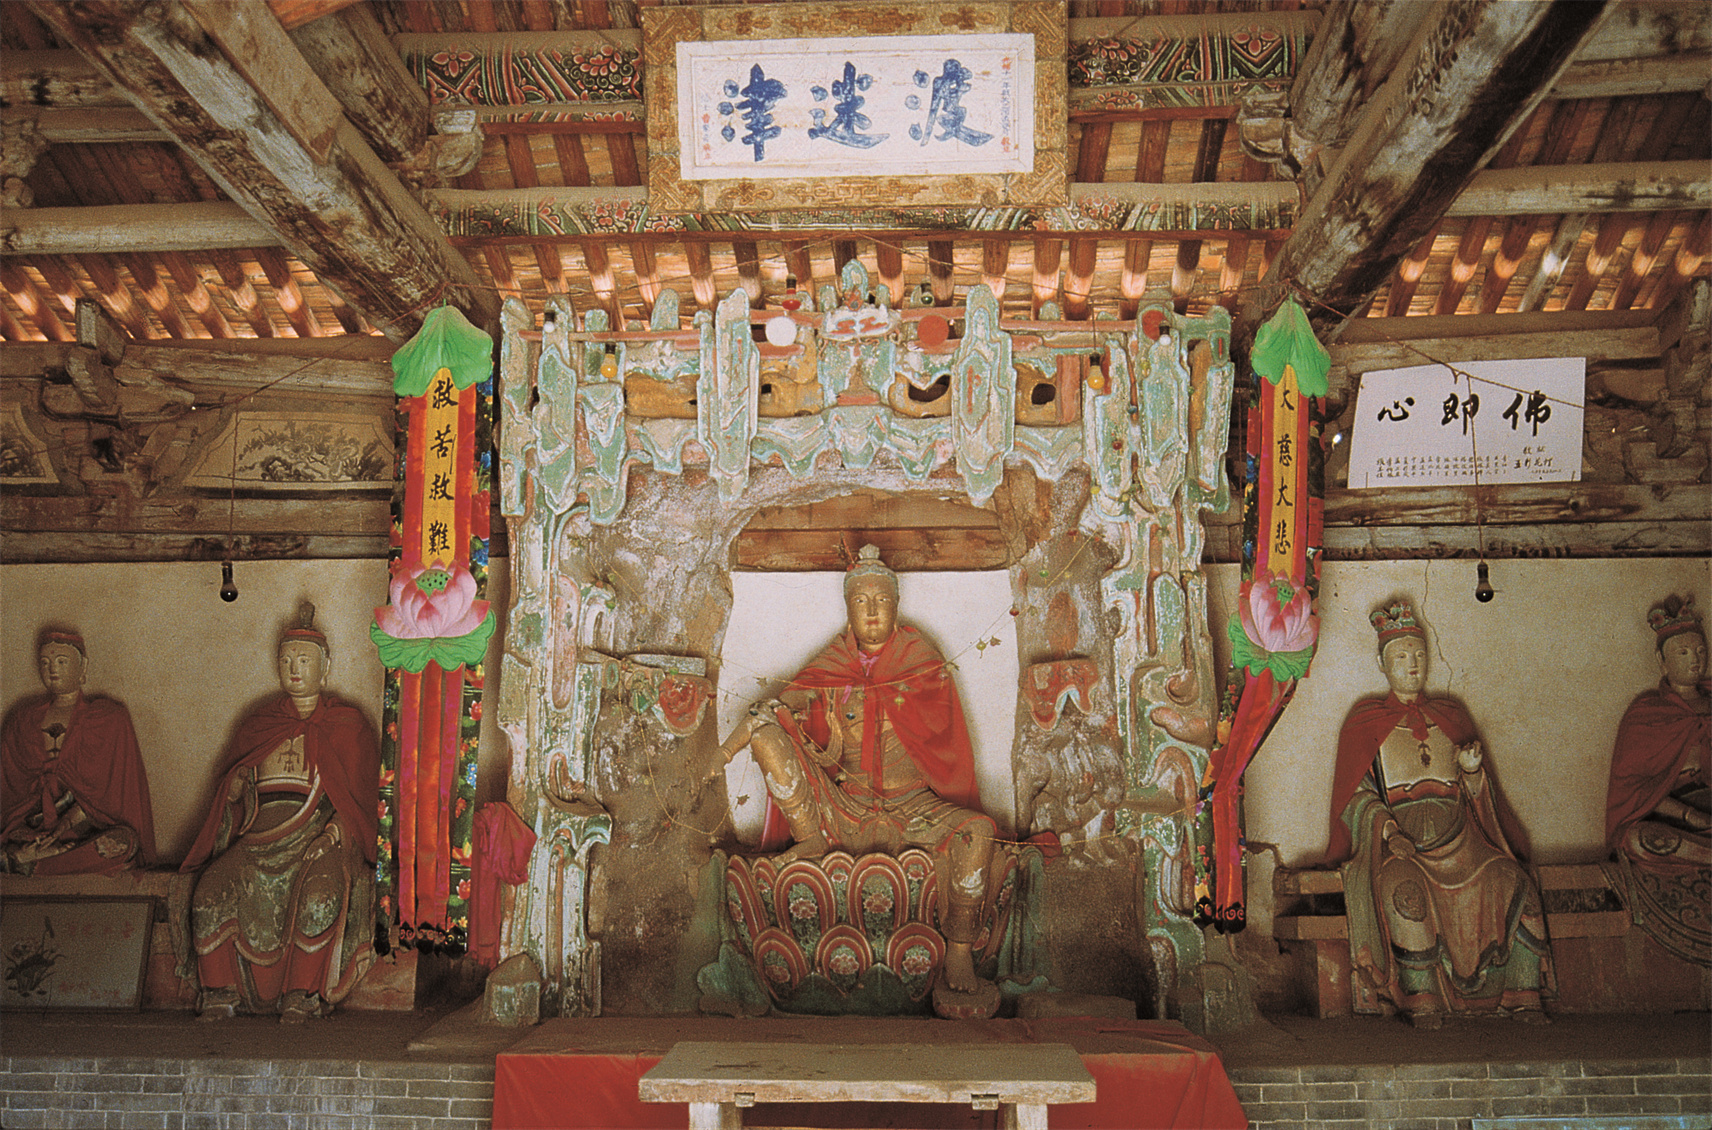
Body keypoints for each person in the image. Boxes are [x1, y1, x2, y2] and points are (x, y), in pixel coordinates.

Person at [717, 545, 997, 996]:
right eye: (861, 601)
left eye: (881, 600)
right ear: (848, 611)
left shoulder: (920, 659)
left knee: (978, 832)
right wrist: (728, 750)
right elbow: (770, 712)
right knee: (766, 735)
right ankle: (811, 837)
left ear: (896, 607)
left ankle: (959, 949)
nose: (871, 611)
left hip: (913, 808)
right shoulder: (834, 664)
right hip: (844, 807)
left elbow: (947, 744)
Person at [1327, 600, 1552, 1028]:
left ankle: (1520, 993)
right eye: (1400, 656)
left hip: (1464, 843)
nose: (1412, 664)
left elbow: (1481, 797)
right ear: (1382, 663)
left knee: (1514, 883)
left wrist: (1471, 773)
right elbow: (1355, 797)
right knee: (1404, 893)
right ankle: (1422, 996)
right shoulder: (1365, 721)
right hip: (1404, 848)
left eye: (1419, 654)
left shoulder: (1451, 715)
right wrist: (1390, 832)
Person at [182, 607, 379, 1022]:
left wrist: (332, 835)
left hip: (315, 842)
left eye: (304, 660)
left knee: (320, 898)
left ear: (325, 669)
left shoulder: (347, 725)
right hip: (256, 843)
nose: (294, 669)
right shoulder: (260, 725)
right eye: (286, 659)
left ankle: (301, 993)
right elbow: (231, 802)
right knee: (209, 893)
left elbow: (358, 803)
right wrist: (235, 792)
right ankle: (219, 990)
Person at [2, 628, 155, 875]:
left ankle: (33, 863)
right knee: (6, 846)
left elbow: (109, 797)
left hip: (85, 827)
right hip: (33, 830)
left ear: (83, 667)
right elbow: (10, 797)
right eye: (45, 662)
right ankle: (33, 857)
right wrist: (22, 832)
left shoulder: (108, 717)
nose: (52, 669)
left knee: (123, 842)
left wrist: (63, 825)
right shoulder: (22, 720)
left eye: (62, 662)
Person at [1605, 596, 1709, 873]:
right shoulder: (1647, 713)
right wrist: (1689, 814)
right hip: (1678, 823)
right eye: (1683, 653)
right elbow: (1635, 789)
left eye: (1701, 651)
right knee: (1637, 840)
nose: (1695, 659)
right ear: (1661, 661)